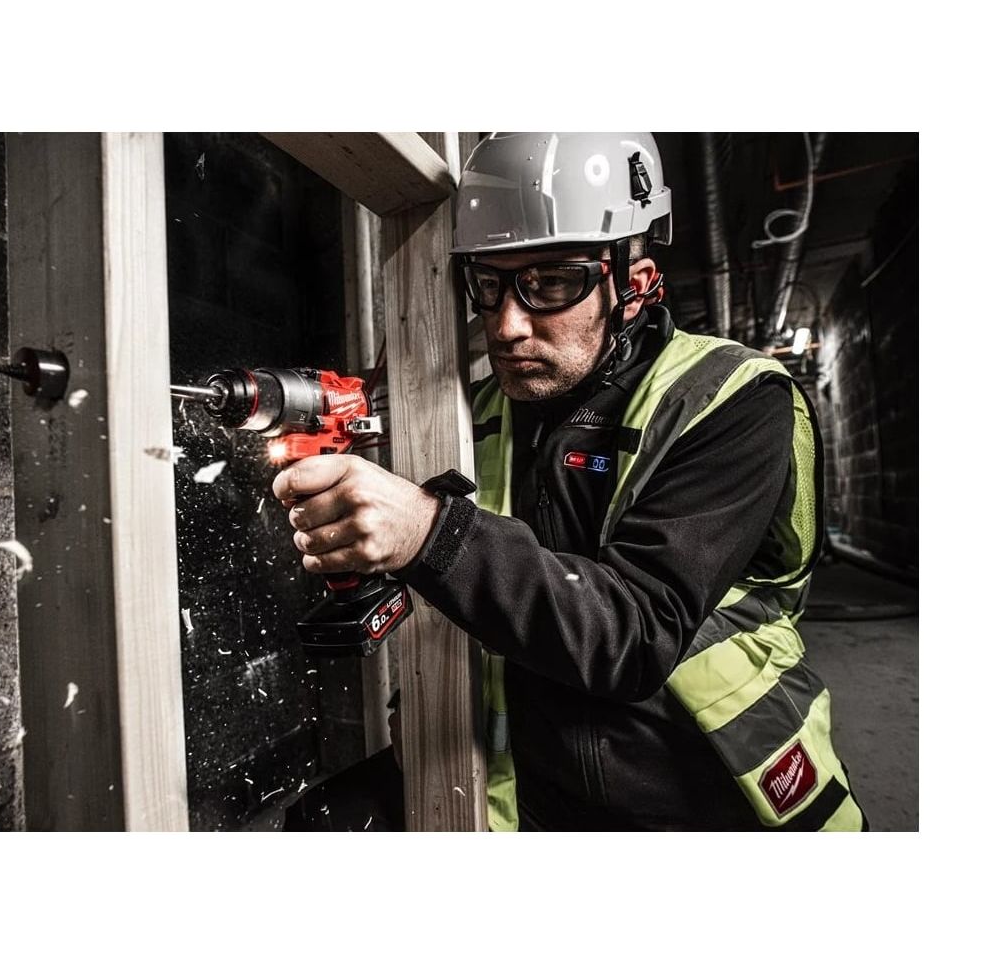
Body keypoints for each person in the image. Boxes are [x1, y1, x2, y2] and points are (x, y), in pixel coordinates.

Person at [274, 132, 865, 831]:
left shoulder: (731, 400)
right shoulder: (471, 412)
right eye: (489, 284)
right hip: (522, 780)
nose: (507, 325)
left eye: (551, 283)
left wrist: (428, 530)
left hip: (695, 787)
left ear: (634, 286)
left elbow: (636, 635)